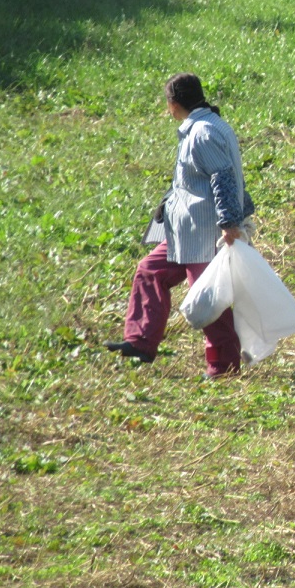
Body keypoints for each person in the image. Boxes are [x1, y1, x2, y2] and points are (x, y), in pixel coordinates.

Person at [106, 74, 253, 378]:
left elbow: (222, 176)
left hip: (205, 233)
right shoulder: (206, 126)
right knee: (150, 271)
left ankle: (223, 367)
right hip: (183, 233)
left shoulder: (203, 132)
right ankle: (140, 341)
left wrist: (228, 223)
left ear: (173, 104)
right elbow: (194, 178)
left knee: (210, 301)